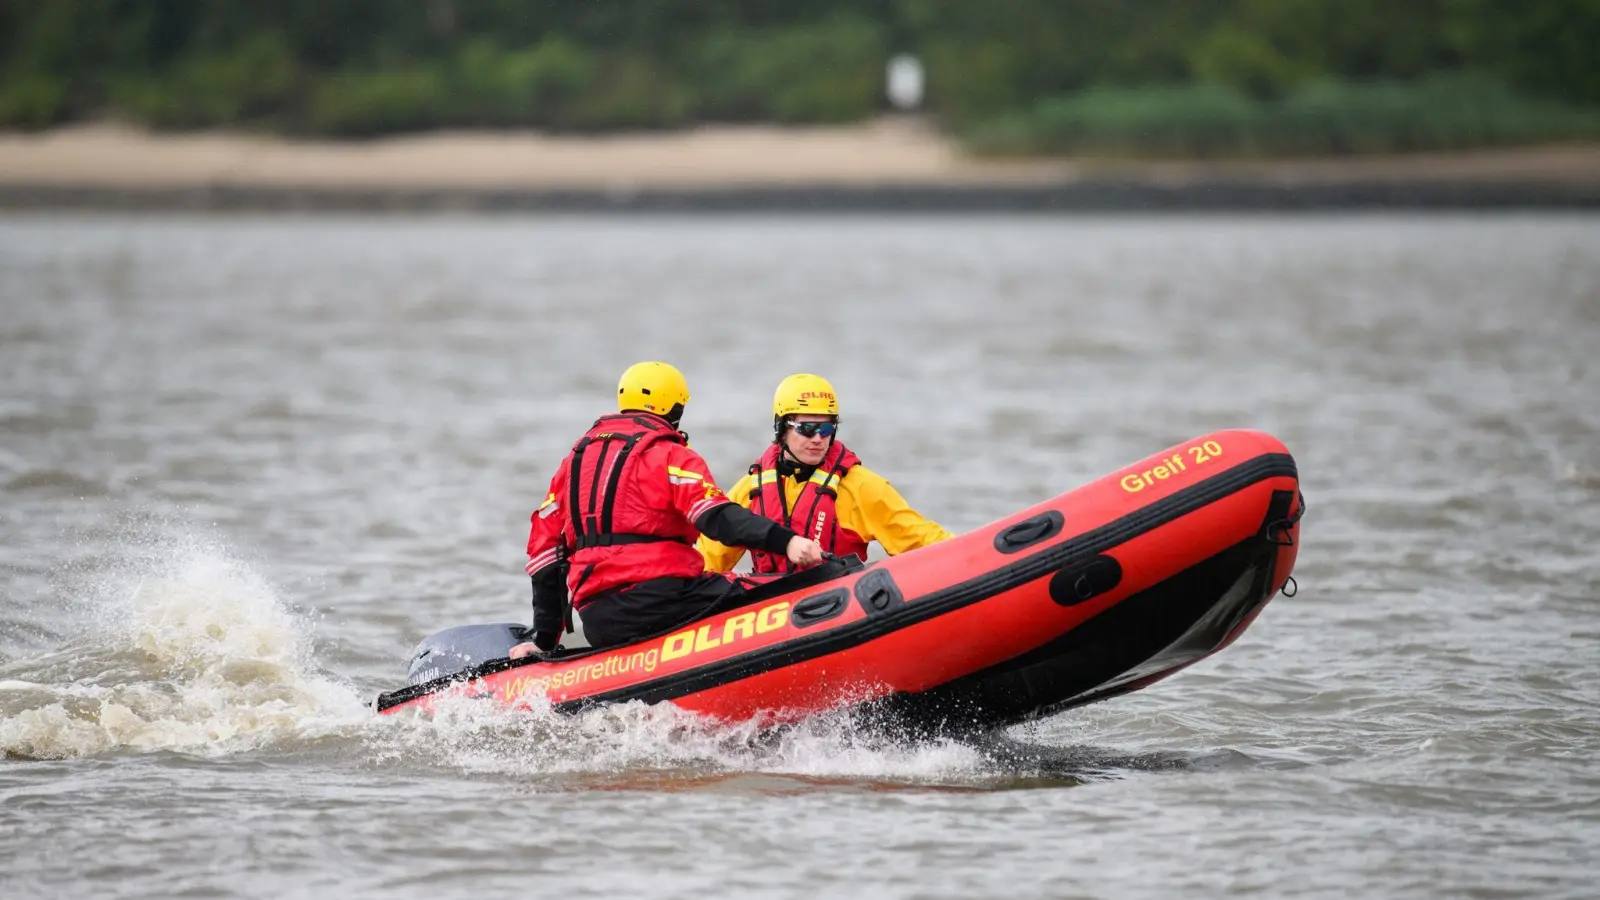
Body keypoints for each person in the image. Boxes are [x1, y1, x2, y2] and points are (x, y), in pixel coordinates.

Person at [508, 362, 824, 659]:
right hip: (666, 600)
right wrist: (788, 542)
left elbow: (544, 555)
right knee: (781, 587)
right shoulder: (670, 455)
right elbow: (716, 517)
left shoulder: (572, 464)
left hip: (598, 618)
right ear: (675, 409)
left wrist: (545, 640)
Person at [697, 373, 954, 576]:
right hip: (770, 614)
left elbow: (921, 538)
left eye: (827, 428)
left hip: (838, 607)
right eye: (807, 428)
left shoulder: (859, 486)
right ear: (782, 429)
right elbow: (709, 561)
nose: (819, 439)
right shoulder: (751, 490)